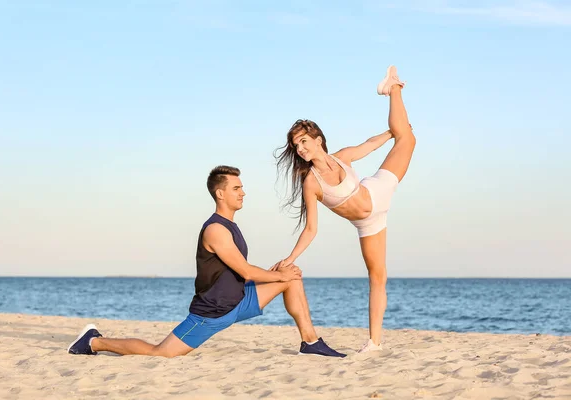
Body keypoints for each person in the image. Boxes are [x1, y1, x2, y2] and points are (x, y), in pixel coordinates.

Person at [68, 165, 345, 358]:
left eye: (242, 187)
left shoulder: (231, 226)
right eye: (237, 188)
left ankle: (310, 342)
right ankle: (93, 341)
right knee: (160, 353)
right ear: (220, 193)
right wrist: (278, 275)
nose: (243, 192)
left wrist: (281, 273)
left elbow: (240, 273)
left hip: (239, 301)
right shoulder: (216, 230)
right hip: (212, 313)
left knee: (291, 277)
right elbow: (245, 270)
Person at [273, 66, 416, 353]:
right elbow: (311, 229)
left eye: (303, 141)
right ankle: (374, 343)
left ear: (317, 139)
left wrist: (392, 132)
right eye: (295, 145)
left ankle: (393, 86)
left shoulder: (342, 158)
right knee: (377, 277)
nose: (300, 149)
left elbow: (369, 145)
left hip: (377, 190)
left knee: (407, 137)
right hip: (369, 223)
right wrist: (291, 257)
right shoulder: (311, 184)